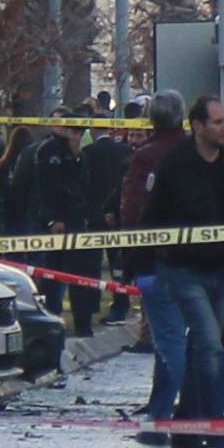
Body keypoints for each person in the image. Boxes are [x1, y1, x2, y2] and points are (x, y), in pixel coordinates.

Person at [136, 94, 224, 448]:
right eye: (217, 122)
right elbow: (150, 218)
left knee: (203, 349)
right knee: (209, 345)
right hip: (184, 269)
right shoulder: (176, 165)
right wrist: (142, 267)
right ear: (197, 126)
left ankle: (187, 428)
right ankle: (214, 425)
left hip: (221, 269)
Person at [121, 92, 188, 419]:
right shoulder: (194, 151)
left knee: (170, 337)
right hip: (196, 258)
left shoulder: (146, 156)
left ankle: (195, 404)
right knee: (171, 335)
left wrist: (132, 258)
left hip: (156, 260)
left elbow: (134, 210)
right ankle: (162, 406)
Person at [22, 112, 101, 337]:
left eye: (81, 132)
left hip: (76, 220)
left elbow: (83, 185)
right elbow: (46, 188)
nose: (78, 136)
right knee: (52, 274)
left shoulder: (79, 155)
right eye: (75, 131)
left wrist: (76, 157)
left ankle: (82, 322)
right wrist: (52, 218)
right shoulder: (48, 151)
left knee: (79, 274)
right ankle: (50, 321)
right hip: (55, 220)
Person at [81, 106, 134, 324]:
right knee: (118, 264)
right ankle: (121, 303)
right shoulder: (124, 152)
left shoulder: (88, 153)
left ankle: (91, 302)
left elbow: (85, 184)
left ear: (92, 130)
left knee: (92, 263)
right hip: (119, 214)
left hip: (95, 214)